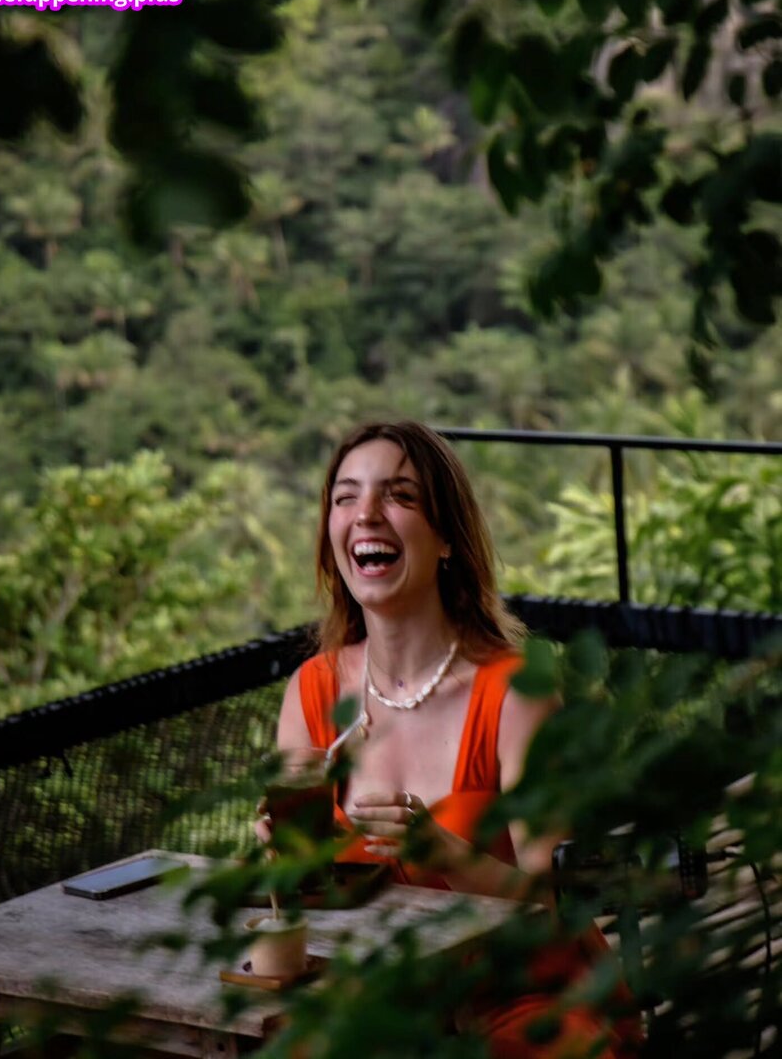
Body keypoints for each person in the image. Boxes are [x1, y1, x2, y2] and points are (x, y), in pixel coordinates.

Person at [272, 420, 641, 1058]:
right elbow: (296, 901)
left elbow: (554, 902)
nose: (366, 514)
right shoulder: (312, 693)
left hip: (525, 1000)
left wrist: (443, 854)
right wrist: (279, 859)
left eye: (399, 496)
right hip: (374, 1003)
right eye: (346, 497)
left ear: (446, 539)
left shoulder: (517, 690)